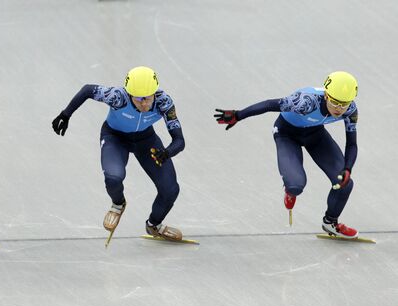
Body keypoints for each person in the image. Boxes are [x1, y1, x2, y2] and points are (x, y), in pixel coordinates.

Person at [214, 71, 359, 238]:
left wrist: (347, 168)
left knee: (345, 183)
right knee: (296, 185)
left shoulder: (351, 110)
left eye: (344, 104)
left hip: (315, 135)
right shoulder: (306, 101)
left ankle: (331, 222)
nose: (339, 109)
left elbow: (352, 143)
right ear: (326, 95)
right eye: (335, 102)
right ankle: (290, 191)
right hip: (287, 134)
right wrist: (238, 115)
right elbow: (269, 104)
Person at [52, 66, 185, 240]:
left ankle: (154, 225)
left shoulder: (164, 102)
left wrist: (166, 153)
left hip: (146, 140)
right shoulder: (118, 97)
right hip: (115, 138)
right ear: (129, 95)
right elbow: (87, 90)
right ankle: (118, 204)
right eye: (138, 99)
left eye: (148, 98)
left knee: (170, 190)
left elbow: (179, 141)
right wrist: (65, 114)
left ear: (155, 92)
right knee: (113, 178)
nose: (144, 104)